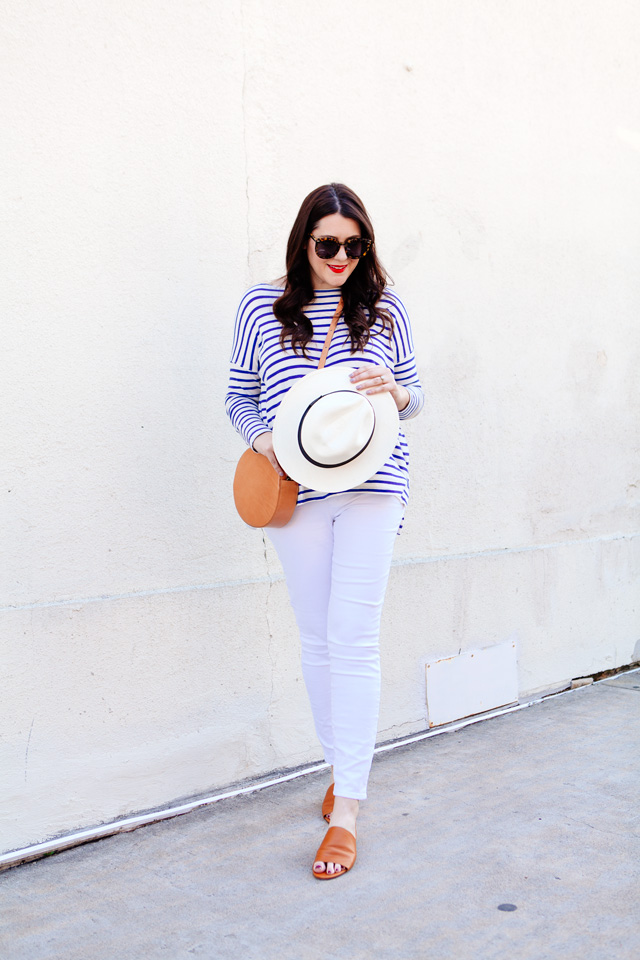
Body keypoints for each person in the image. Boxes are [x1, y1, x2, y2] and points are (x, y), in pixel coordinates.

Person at [225, 183, 424, 878]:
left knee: (355, 637)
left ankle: (348, 812)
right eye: (328, 244)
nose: (342, 257)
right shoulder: (262, 305)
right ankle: (342, 765)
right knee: (317, 639)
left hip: (374, 485)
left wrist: (396, 393)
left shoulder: (385, 306)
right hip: (299, 493)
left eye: (355, 244)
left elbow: (416, 393)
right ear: (303, 241)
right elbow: (238, 396)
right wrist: (265, 444)